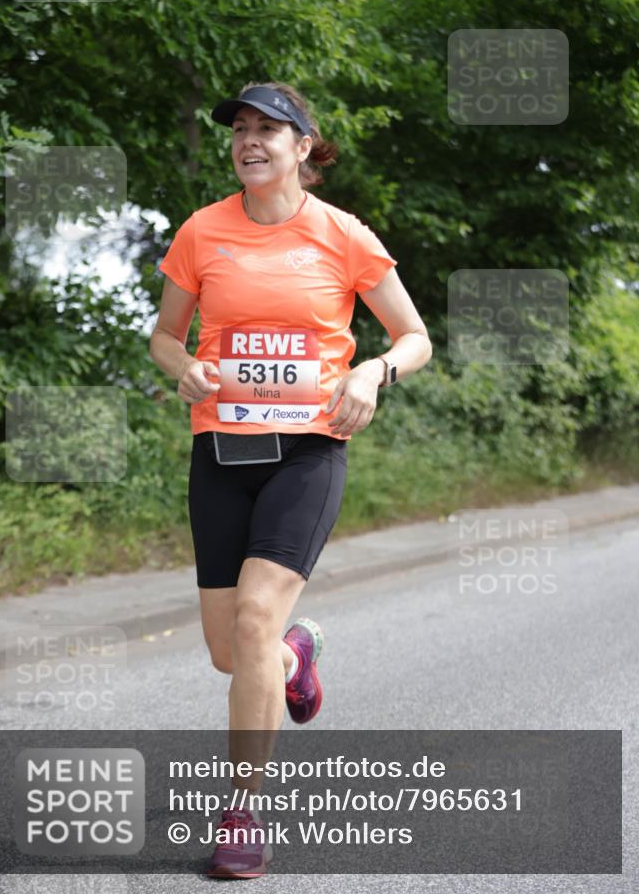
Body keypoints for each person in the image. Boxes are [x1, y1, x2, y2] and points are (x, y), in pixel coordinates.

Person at [149, 82, 432, 878]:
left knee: (252, 621)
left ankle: (241, 812)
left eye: (268, 129)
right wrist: (185, 368)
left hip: (307, 452)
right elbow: (165, 338)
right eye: (239, 128)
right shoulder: (203, 232)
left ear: (304, 148)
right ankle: (293, 655)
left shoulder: (342, 235)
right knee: (230, 652)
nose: (249, 140)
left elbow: (413, 337)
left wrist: (374, 374)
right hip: (223, 454)